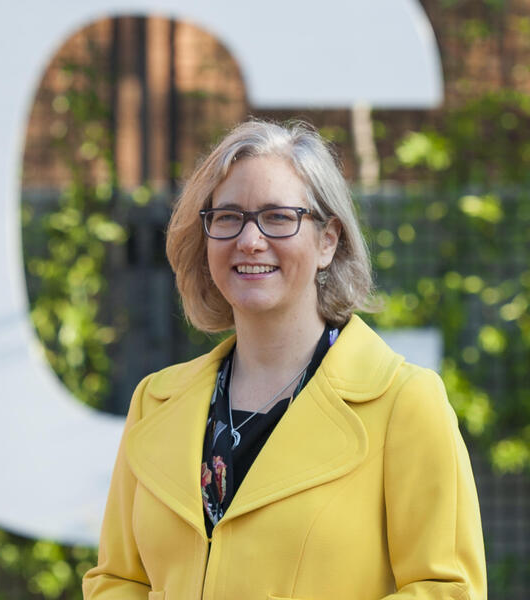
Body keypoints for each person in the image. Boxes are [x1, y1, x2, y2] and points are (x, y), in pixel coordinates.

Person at [82, 120, 487, 600]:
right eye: (228, 217)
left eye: (278, 217)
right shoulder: (155, 402)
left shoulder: (406, 404)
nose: (249, 240)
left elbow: (448, 590)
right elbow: (117, 581)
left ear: (327, 240)